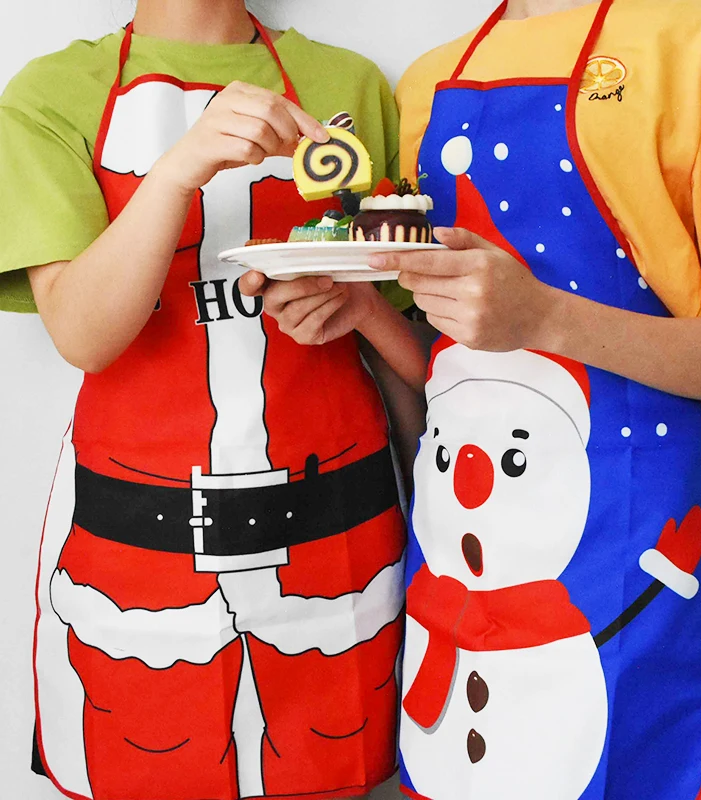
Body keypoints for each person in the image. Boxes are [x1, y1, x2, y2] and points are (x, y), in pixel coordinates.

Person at [257, 0, 701, 797]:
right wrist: (365, 311)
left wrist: (543, 316)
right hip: (455, 551)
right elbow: (457, 371)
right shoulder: (430, 79)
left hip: (621, 537)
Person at [0, 1, 426, 799]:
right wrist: (176, 170)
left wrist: (361, 308)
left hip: (340, 541)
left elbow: (417, 355)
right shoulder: (52, 93)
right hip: (137, 555)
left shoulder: (350, 85)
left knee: (329, 766)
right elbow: (84, 335)